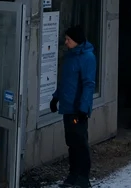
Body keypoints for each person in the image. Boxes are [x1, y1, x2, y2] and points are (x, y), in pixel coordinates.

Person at [49, 24, 96, 188]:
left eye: (68, 39)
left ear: (76, 40)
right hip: (67, 108)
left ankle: (83, 178)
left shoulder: (87, 58)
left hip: (78, 109)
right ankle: (73, 175)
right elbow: (65, 81)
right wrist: (55, 98)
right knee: (71, 143)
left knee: (80, 143)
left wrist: (83, 109)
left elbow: (89, 85)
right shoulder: (70, 56)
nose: (66, 42)